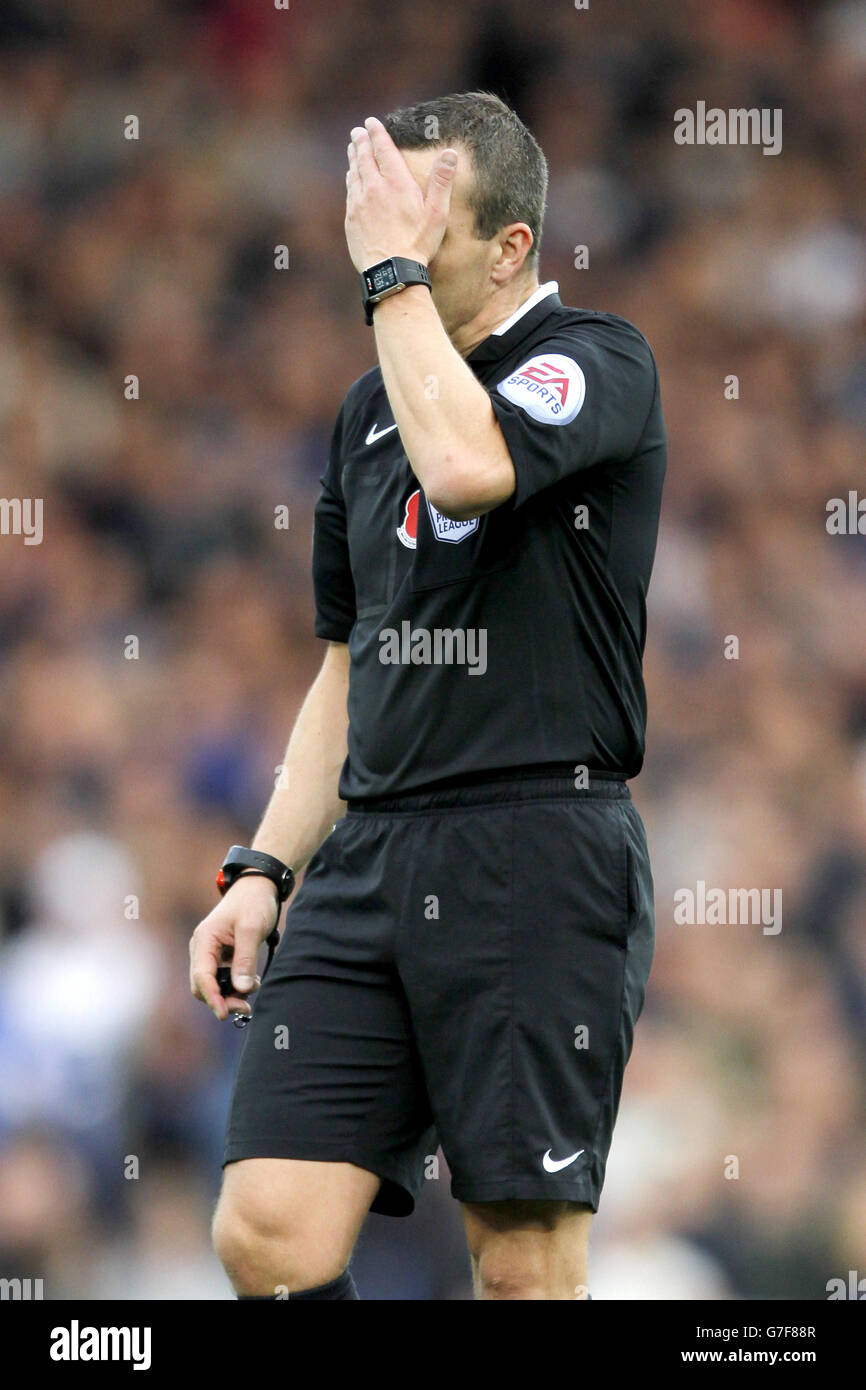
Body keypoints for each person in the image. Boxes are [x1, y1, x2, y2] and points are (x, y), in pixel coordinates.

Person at [190, 91, 666, 1301]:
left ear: (510, 248)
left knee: (519, 1270)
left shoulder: (594, 360)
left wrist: (387, 276)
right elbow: (347, 668)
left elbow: (468, 462)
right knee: (269, 1240)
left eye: (416, 223)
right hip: (372, 855)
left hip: (534, 846)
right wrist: (264, 867)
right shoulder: (363, 415)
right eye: (372, 214)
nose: (378, 244)